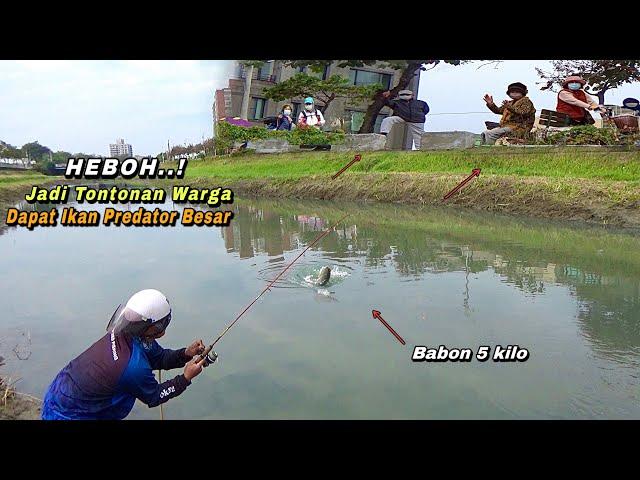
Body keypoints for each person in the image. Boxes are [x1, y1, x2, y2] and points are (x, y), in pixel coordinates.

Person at [41, 289, 209, 420]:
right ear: (156, 328)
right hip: (70, 414)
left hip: (59, 395)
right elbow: (154, 396)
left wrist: (186, 353)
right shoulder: (132, 366)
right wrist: (185, 378)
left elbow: (160, 358)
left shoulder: (129, 335)